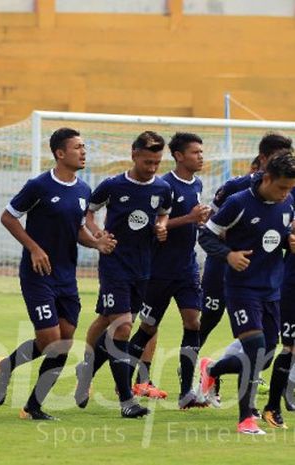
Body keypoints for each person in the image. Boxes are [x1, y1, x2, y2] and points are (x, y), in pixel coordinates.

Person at [0, 128, 116, 420]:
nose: (83, 152)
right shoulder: (39, 186)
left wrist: (96, 243)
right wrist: (34, 248)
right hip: (38, 275)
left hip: (66, 277)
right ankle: (6, 366)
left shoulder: (84, 190)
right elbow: (8, 216)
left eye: (84, 147)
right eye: (77, 147)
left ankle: (33, 407)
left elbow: (78, 231)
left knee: (64, 342)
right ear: (60, 153)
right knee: (49, 340)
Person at [74, 131, 172, 418]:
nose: (152, 168)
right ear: (133, 154)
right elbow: (88, 214)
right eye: (147, 162)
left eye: (156, 162)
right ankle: (126, 400)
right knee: (123, 325)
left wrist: (162, 225)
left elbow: (164, 212)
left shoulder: (162, 188)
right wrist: (97, 235)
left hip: (143, 266)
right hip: (114, 263)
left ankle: (87, 368)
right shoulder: (112, 186)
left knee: (108, 319)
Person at [198, 150, 295, 434]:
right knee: (254, 349)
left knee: (264, 357)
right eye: (281, 187)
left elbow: (277, 239)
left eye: (289, 189)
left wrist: (289, 243)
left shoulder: (288, 203)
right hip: (241, 289)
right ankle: (246, 419)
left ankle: (212, 370)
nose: (285, 194)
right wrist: (228, 255)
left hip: (271, 291)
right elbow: (205, 234)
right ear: (267, 177)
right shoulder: (238, 203)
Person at [126, 132, 211, 408]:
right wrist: (189, 218)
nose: (200, 156)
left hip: (186, 269)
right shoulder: (163, 186)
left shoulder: (196, 184)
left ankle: (186, 391)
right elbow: (155, 226)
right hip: (159, 271)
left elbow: (188, 221)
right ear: (178, 156)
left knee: (193, 323)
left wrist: (198, 222)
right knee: (148, 327)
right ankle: (124, 382)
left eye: (201, 151)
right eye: (195, 152)